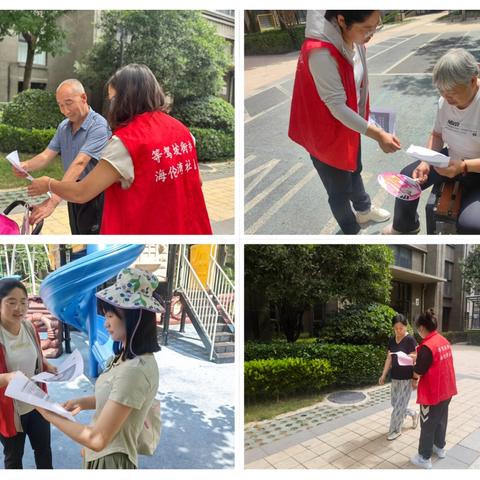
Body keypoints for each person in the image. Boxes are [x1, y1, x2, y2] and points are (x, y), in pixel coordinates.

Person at [28, 64, 212, 235]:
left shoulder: (126, 142)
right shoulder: (182, 131)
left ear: (128, 97)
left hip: (142, 229)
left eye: (114, 99)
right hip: (185, 228)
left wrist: (49, 184)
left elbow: (81, 192)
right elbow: (197, 181)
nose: (112, 105)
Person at [36, 268, 162, 469]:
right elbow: (119, 398)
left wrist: (47, 413)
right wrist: (83, 402)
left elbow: (97, 439)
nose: (106, 324)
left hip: (111, 459)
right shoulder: (126, 356)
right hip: (102, 455)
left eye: (110, 316)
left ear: (133, 316)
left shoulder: (135, 370)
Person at [289, 10, 401, 234]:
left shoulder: (354, 39)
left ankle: (363, 210)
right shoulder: (321, 52)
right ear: (341, 21)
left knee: (354, 169)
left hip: (348, 125)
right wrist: (378, 135)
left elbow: (357, 86)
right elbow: (337, 106)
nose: (371, 34)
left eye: (375, 26)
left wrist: (366, 119)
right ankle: (352, 232)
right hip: (325, 135)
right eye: (366, 28)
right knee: (338, 192)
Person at [383, 48, 480, 234]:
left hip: (473, 169)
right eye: (442, 92)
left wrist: (464, 166)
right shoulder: (445, 101)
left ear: (473, 81)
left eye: (452, 93)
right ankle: (406, 226)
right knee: (407, 180)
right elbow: (437, 134)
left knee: (471, 224)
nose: (446, 98)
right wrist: (426, 161)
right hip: (451, 159)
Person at [13, 79, 110, 234]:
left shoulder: (98, 126)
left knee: (89, 236)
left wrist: (53, 201)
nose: (65, 110)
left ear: (83, 98)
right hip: (70, 190)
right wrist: (25, 165)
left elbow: (80, 163)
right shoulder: (64, 126)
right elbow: (46, 155)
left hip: (93, 194)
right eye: (60, 105)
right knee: (76, 233)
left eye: (69, 103)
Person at [0, 278, 57, 469]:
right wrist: (8, 378)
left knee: (44, 450)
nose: (20, 308)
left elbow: (35, 357)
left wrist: (46, 364)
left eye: (24, 301)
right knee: (14, 457)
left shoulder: (29, 328)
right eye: (12, 302)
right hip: (10, 410)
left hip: (36, 402)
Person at [410, 309, 457, 469]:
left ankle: (424, 457)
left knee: (427, 424)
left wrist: (414, 380)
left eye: (418, 328)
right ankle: (440, 447)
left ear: (422, 328)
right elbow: (433, 361)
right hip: (447, 390)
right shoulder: (443, 340)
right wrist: (420, 357)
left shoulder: (426, 346)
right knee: (440, 420)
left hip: (433, 393)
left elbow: (419, 371)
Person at [379, 314, 418, 441]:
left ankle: (395, 430)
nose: (399, 331)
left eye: (401, 328)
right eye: (396, 328)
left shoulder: (410, 340)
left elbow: (415, 357)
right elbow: (389, 358)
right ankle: (413, 413)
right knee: (395, 403)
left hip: (407, 378)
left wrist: (415, 379)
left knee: (398, 407)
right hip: (395, 377)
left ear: (406, 327)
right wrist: (383, 374)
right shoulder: (391, 340)